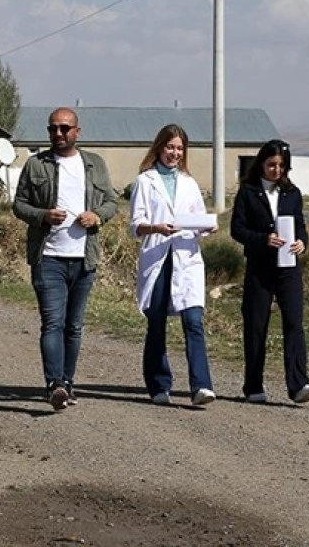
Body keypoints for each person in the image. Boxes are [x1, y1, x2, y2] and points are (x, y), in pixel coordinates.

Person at [13, 107, 117, 410]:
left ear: (77, 132)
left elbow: (111, 202)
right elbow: (19, 205)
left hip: (84, 259)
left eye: (64, 129)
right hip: (49, 258)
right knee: (53, 323)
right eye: (53, 129)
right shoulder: (36, 164)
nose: (58, 134)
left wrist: (97, 216)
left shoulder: (94, 165)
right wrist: (43, 215)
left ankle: (67, 383)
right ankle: (53, 383)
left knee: (73, 326)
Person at [128, 124, 217, 407]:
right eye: (170, 147)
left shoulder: (189, 183)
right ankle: (158, 384)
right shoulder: (145, 181)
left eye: (179, 148)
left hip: (186, 259)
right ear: (159, 148)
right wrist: (155, 227)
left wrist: (207, 227)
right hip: (158, 256)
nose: (174, 153)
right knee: (156, 323)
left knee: (193, 321)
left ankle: (201, 385)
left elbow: (198, 217)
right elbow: (135, 225)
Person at [229, 139, 309, 405]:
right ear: (262, 164)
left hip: (289, 268)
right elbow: (237, 229)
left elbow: (300, 225)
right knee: (256, 325)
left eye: (281, 166)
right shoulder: (248, 192)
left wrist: (302, 242)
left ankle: (299, 383)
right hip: (259, 268)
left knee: (294, 323)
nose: (276, 170)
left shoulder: (293, 193)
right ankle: (254, 386)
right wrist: (262, 239)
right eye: (271, 165)